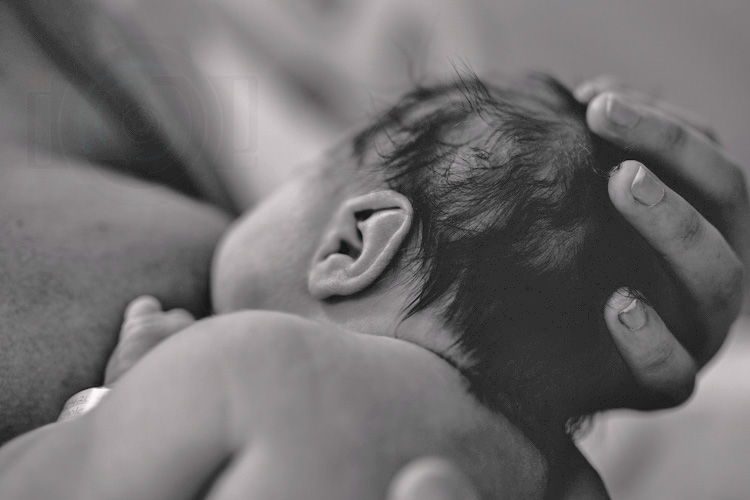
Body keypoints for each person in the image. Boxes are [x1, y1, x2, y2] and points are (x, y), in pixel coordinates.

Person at [1, 72, 746, 499]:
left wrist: (120, 403)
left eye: (298, 176)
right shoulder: (562, 485)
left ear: (355, 243)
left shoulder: (248, 360)